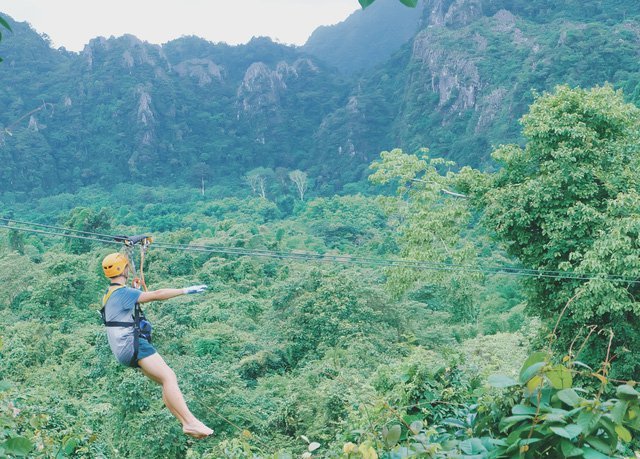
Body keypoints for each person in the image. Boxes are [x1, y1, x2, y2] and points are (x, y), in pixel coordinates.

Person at [100, 252, 213, 439]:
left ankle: (186, 423)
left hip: (122, 349)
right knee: (169, 377)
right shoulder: (123, 293)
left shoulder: (110, 293)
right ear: (124, 269)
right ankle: (191, 422)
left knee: (165, 381)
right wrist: (185, 290)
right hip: (133, 344)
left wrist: (134, 289)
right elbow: (157, 295)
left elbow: (125, 307)